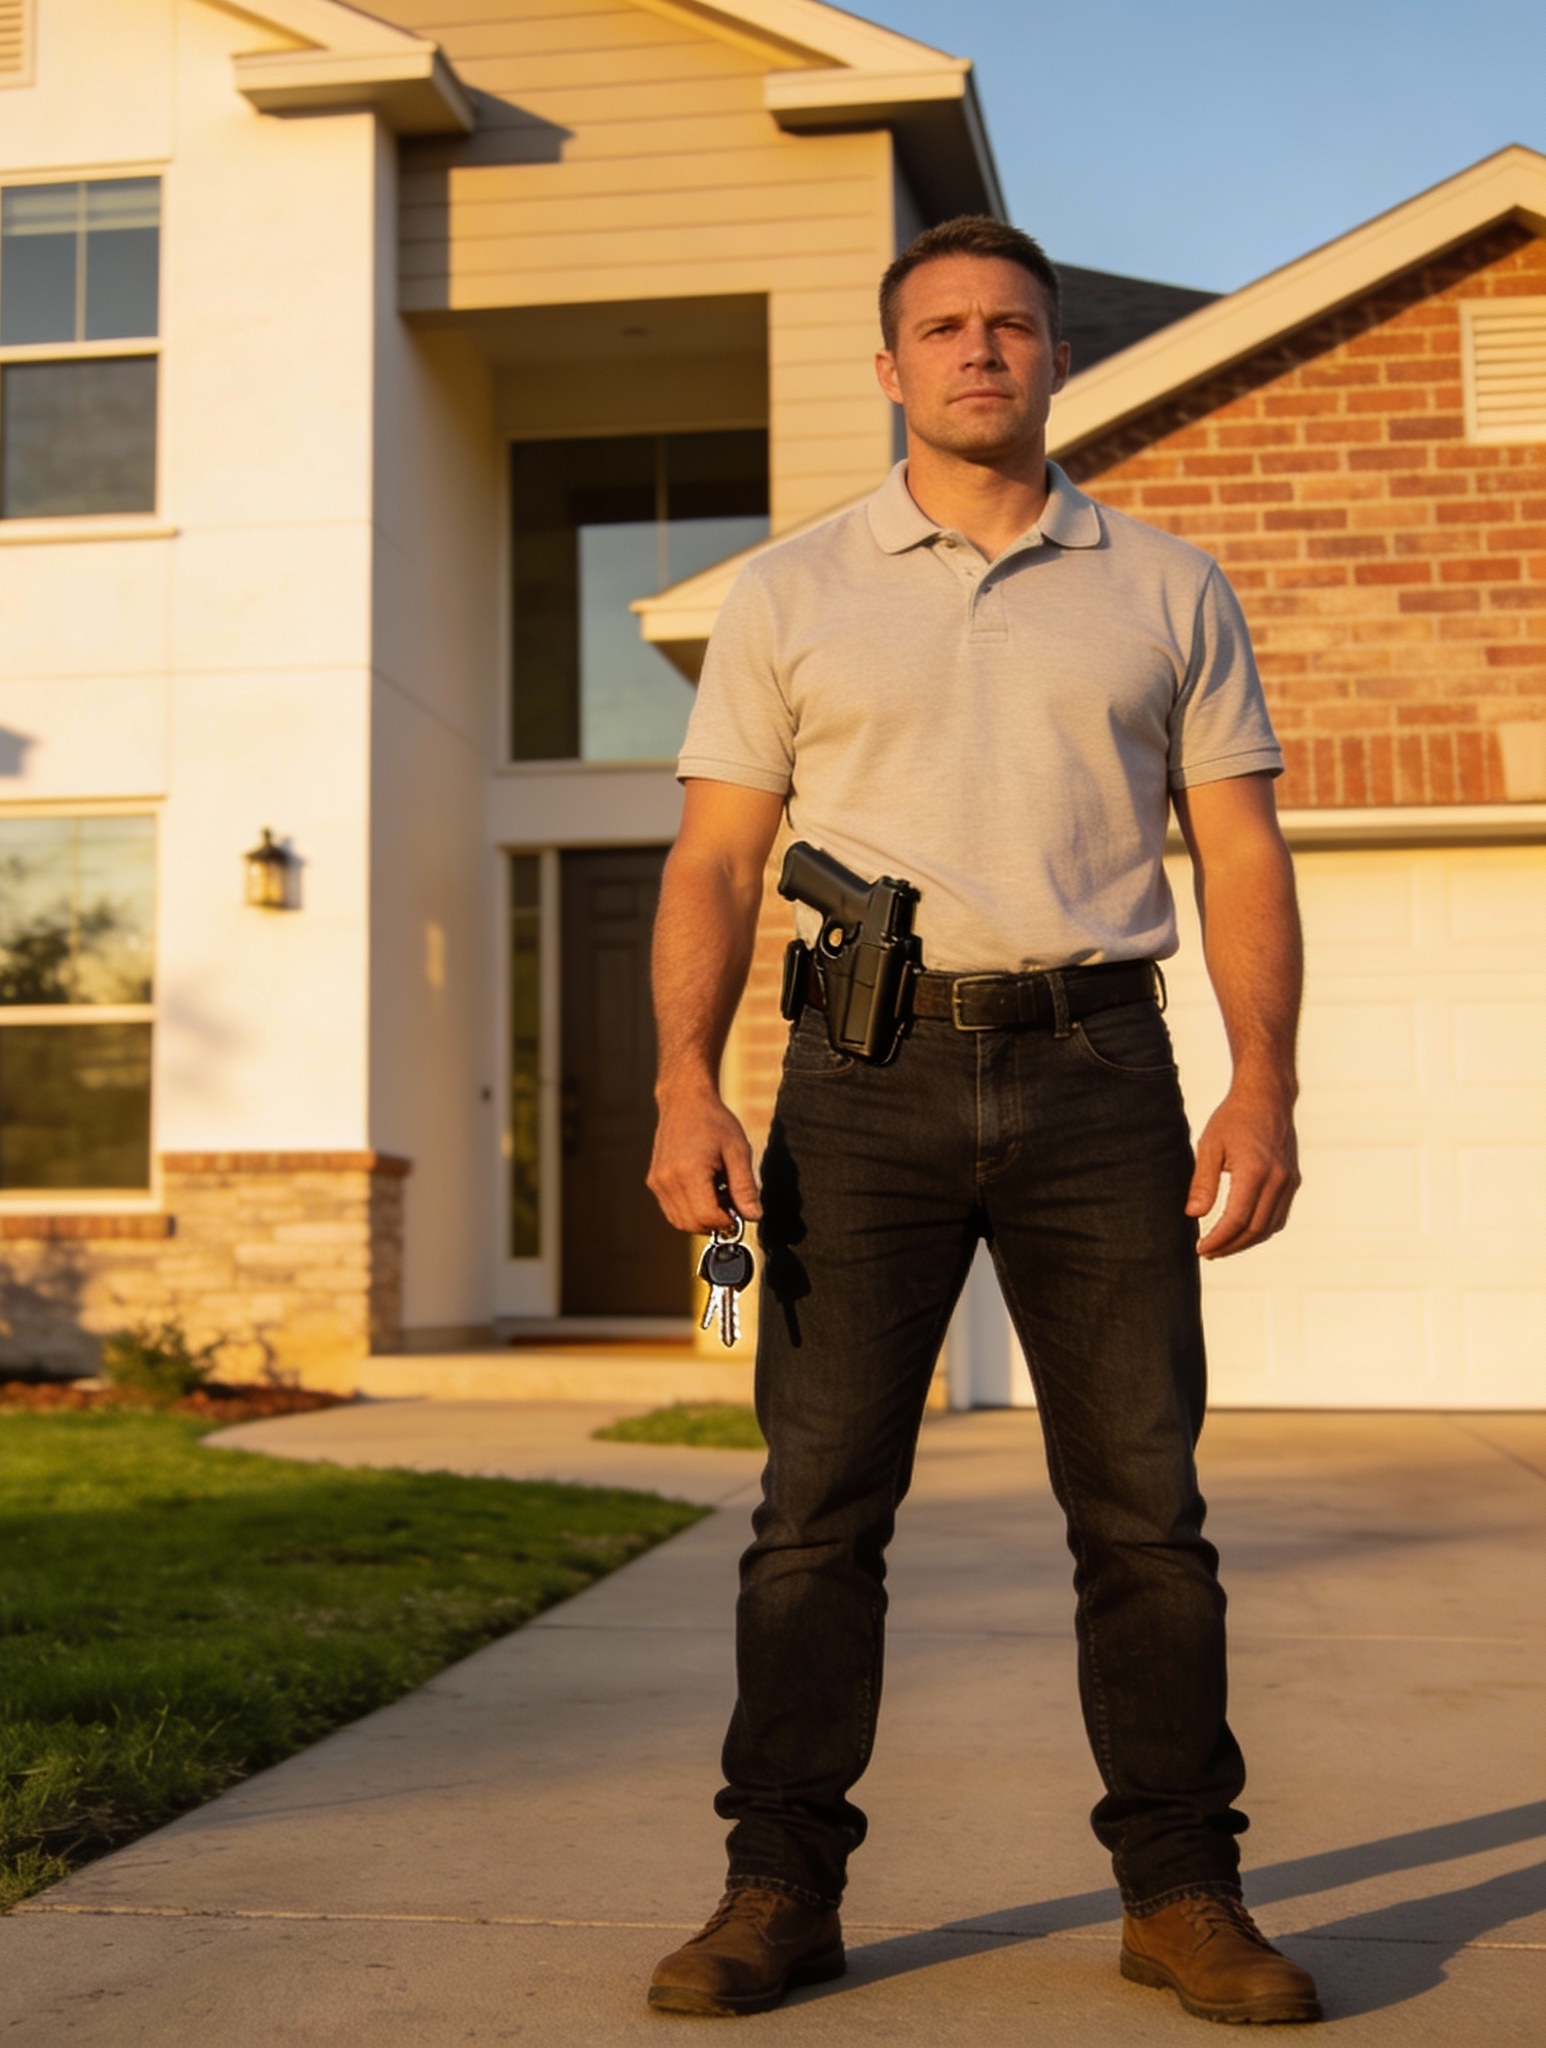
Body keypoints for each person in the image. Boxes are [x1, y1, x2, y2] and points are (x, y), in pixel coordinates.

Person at [643, 216, 1320, 2027]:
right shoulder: (787, 594)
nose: (975, 353)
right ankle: (776, 1887)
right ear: (887, 367)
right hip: (858, 1088)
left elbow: (1237, 846)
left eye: (1007, 326)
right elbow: (714, 855)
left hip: (1104, 1072)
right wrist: (683, 1079)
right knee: (813, 1515)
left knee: (1146, 1516)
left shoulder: (1168, 587)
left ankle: (1182, 1892)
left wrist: (1265, 1077)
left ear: (1053, 355)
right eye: (938, 328)